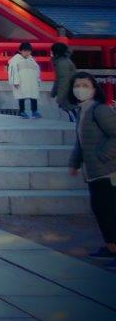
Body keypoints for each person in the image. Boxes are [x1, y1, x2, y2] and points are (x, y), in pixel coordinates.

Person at [67, 71, 116, 270]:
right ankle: (110, 247)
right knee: (100, 210)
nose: (80, 89)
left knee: (110, 211)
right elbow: (81, 142)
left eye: (85, 85)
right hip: (93, 171)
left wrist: (101, 155)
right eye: (77, 85)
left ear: (94, 89)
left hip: (108, 170)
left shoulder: (100, 110)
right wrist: (74, 163)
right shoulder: (82, 111)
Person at [8, 41, 41, 118]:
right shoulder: (15, 60)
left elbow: (37, 70)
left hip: (32, 81)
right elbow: (13, 71)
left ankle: (34, 111)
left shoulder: (32, 60)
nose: (27, 53)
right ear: (20, 51)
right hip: (21, 81)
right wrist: (15, 81)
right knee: (21, 96)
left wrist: (38, 80)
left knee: (33, 96)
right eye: (25, 51)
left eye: (29, 51)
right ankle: (22, 111)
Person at [50, 43, 77, 122]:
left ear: (56, 52)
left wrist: (60, 97)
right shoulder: (62, 61)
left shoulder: (62, 63)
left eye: (52, 51)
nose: (51, 53)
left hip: (67, 91)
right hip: (68, 90)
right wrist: (54, 92)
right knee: (69, 109)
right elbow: (58, 79)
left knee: (69, 109)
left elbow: (64, 80)